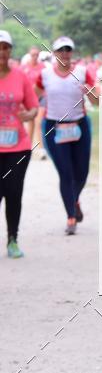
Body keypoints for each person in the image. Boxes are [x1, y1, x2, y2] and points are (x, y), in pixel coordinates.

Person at [36, 36, 100, 234]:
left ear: (72, 52)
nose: (64, 53)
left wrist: (89, 92)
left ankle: (75, 199)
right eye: (60, 50)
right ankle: (71, 217)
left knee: (82, 173)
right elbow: (32, 96)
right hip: (54, 127)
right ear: (54, 53)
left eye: (68, 49)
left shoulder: (82, 72)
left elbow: (98, 101)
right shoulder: (45, 75)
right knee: (66, 172)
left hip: (79, 126)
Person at [0, 30, 38, 257]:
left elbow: (33, 107)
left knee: (13, 193)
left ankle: (12, 240)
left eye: (5, 47)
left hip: (18, 147)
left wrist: (29, 114)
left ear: (10, 50)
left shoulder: (20, 77)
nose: (1, 52)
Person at [21, 45, 47, 159]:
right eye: (33, 55)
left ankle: (41, 149)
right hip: (29, 100)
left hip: (41, 98)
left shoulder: (43, 67)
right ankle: (27, 149)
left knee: (38, 122)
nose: (35, 57)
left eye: (37, 54)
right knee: (30, 124)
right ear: (29, 55)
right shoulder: (24, 68)